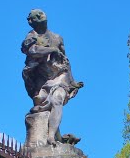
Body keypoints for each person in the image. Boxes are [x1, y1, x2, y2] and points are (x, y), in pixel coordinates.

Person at [20, 9, 83, 145]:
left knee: (57, 100)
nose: (41, 16)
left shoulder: (57, 38)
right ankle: (60, 138)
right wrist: (51, 50)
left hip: (60, 75)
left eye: (41, 14)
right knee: (41, 106)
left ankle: (51, 136)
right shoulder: (31, 37)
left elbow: (65, 61)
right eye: (36, 16)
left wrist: (72, 81)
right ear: (32, 22)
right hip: (42, 80)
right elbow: (32, 51)